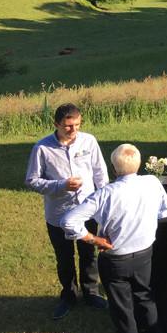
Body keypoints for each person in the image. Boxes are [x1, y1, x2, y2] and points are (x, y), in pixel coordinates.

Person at [60, 144, 167, 333]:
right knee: (145, 297)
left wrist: (94, 239)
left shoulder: (105, 194)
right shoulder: (152, 183)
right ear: (139, 164)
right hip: (144, 253)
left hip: (115, 258)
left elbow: (68, 221)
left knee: (123, 310)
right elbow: (165, 211)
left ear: (113, 168)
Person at [24, 102, 109, 320]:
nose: (73, 131)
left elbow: (100, 173)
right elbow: (32, 180)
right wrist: (61, 185)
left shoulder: (88, 141)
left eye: (77, 125)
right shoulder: (42, 148)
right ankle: (69, 296)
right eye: (68, 126)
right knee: (64, 256)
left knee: (89, 253)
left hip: (87, 211)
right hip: (58, 215)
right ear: (56, 124)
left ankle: (91, 292)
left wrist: (105, 201)